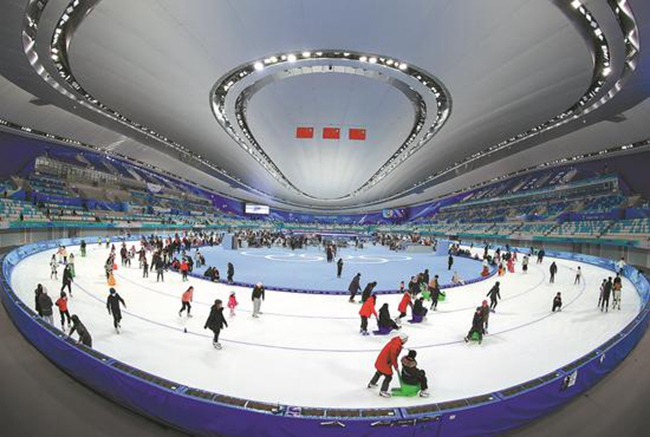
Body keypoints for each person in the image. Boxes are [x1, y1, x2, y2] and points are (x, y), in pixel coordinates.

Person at [367, 333, 408, 397]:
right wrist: (395, 366)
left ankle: (372, 383)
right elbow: (393, 357)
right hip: (385, 362)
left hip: (382, 360)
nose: (406, 341)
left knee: (379, 372)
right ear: (403, 339)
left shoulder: (396, 341)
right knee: (389, 376)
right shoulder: (396, 345)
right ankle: (383, 391)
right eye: (406, 339)